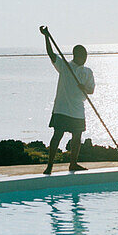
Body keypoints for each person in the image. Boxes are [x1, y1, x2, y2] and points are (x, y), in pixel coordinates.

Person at [40, 26, 95, 174]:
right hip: (62, 108)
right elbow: (51, 54)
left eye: (86, 55)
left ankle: (73, 164)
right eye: (83, 55)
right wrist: (46, 36)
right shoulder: (65, 66)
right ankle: (49, 166)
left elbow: (91, 90)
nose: (85, 58)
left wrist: (84, 88)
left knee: (77, 138)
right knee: (57, 135)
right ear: (76, 55)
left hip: (78, 110)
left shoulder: (87, 72)